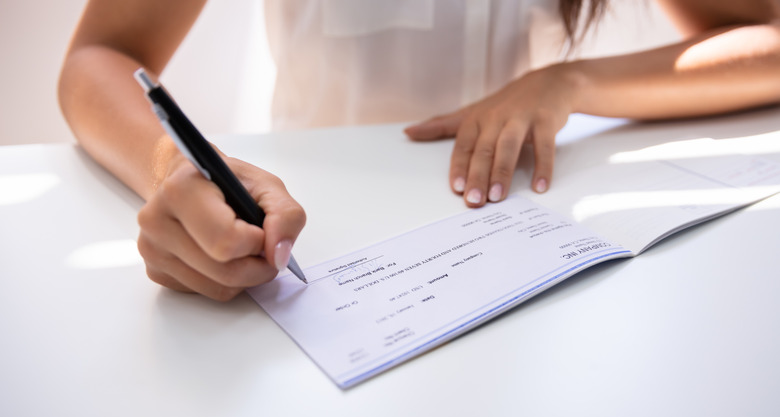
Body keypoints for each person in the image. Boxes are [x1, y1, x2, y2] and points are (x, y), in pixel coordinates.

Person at [58, 0, 780, 301]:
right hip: (311, 222)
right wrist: (170, 168)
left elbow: (763, 42)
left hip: (523, 231)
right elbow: (102, 54)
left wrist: (572, 80)